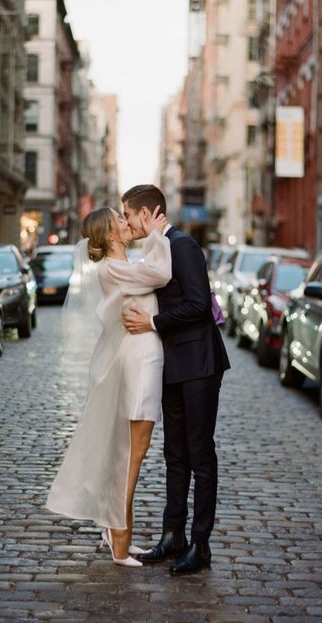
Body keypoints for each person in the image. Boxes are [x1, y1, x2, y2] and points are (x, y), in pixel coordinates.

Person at [45, 205, 172, 567]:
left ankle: (114, 524)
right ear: (111, 233)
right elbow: (161, 274)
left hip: (144, 354)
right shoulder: (113, 268)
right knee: (133, 449)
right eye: (121, 219)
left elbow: (151, 275)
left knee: (131, 448)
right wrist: (158, 235)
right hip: (138, 359)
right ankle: (119, 535)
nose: (127, 222)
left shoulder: (124, 265)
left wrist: (151, 241)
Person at [122, 184, 231, 576]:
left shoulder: (182, 245)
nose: (127, 222)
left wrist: (152, 322)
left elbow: (199, 304)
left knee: (200, 454)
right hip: (172, 366)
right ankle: (173, 535)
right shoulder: (154, 248)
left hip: (200, 364)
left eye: (129, 215)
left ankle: (200, 545)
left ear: (148, 213)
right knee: (174, 454)